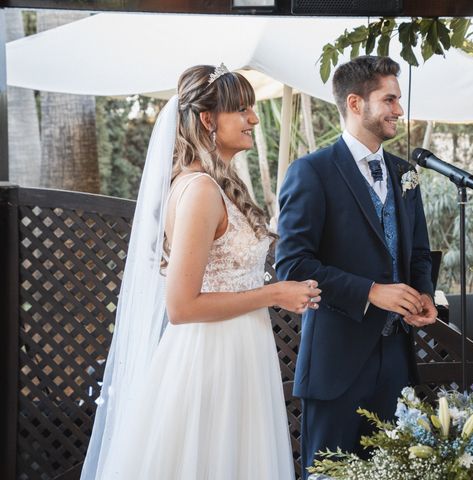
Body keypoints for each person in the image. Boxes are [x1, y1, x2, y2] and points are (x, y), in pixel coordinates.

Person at [80, 64, 321, 480]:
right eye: (242, 110)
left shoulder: (218, 183)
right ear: (208, 119)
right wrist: (274, 294)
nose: (252, 119)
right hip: (210, 360)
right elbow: (181, 306)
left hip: (242, 352)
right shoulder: (199, 192)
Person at [276, 55, 437, 478]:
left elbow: (418, 251)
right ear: (355, 103)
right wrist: (370, 292)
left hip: (398, 360)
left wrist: (422, 293)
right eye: (389, 100)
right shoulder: (311, 172)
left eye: (398, 100)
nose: (399, 111)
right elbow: (292, 264)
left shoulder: (406, 174)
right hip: (336, 363)